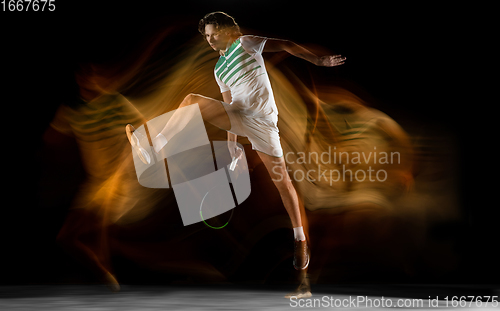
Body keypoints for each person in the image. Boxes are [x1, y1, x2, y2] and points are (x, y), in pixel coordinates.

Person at [126, 11, 345, 296]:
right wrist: (232, 145)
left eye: (213, 33)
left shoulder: (247, 43)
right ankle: (156, 148)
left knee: (283, 184)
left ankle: (300, 239)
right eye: (206, 36)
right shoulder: (218, 69)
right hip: (238, 115)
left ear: (228, 30)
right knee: (192, 100)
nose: (209, 39)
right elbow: (228, 102)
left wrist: (317, 60)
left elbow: (287, 45)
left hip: (264, 122)